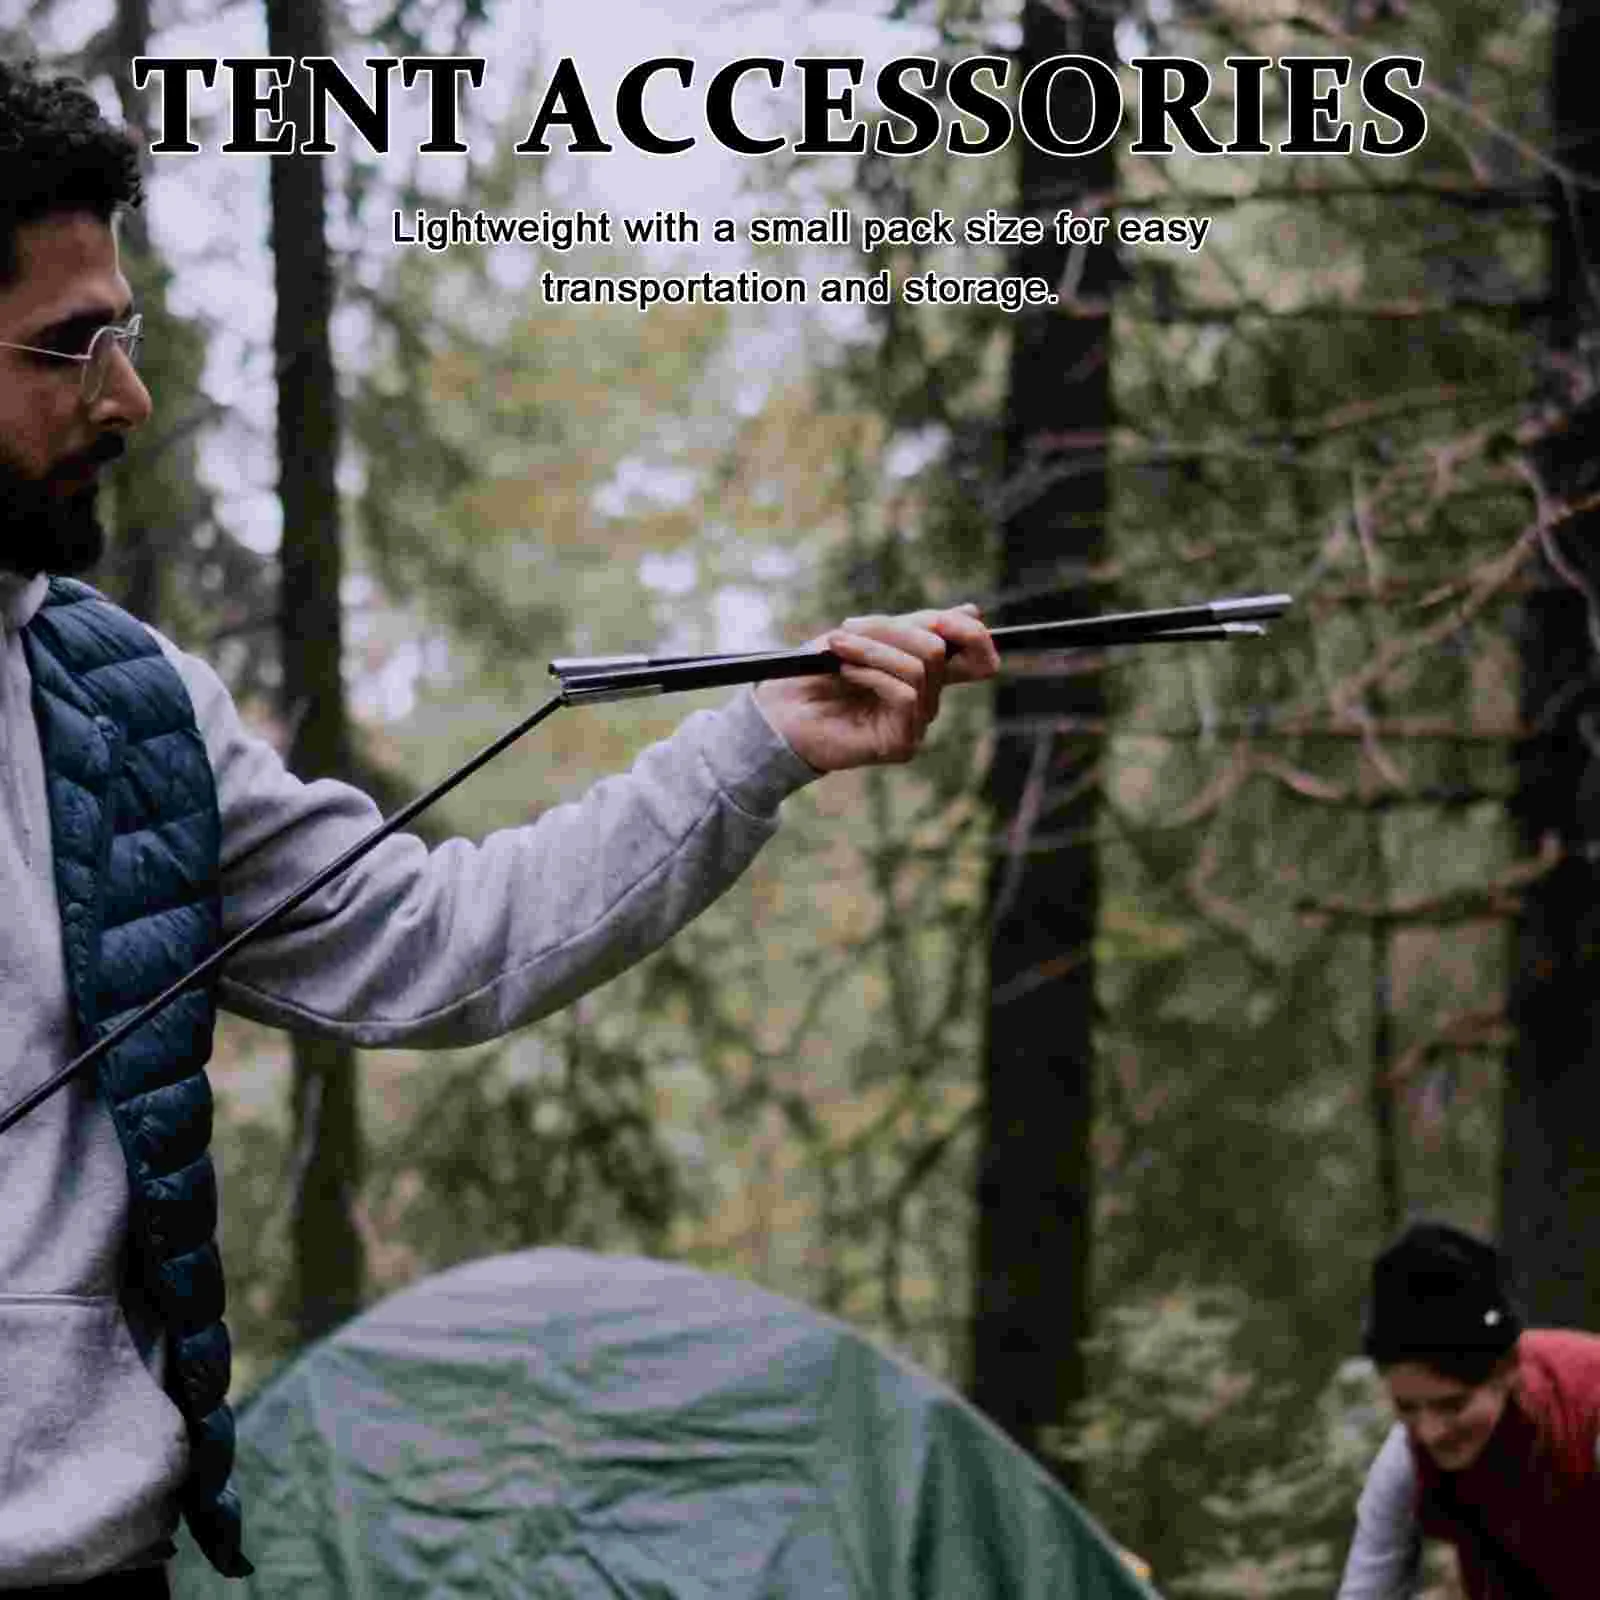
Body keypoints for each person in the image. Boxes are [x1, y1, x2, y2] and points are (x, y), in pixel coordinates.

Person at [0, 57, 1001, 1594]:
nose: (126, 395)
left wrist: (762, 741)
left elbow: (433, 943)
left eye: (125, 334)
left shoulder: (126, 708)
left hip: (100, 1565)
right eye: (73, 345)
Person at [1336, 1218, 1600, 1600]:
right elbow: (1366, 1589)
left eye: (1452, 1405)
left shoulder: (1588, 1411)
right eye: (1406, 1407)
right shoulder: (1405, 1457)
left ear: (1508, 1371)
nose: (1430, 1432)